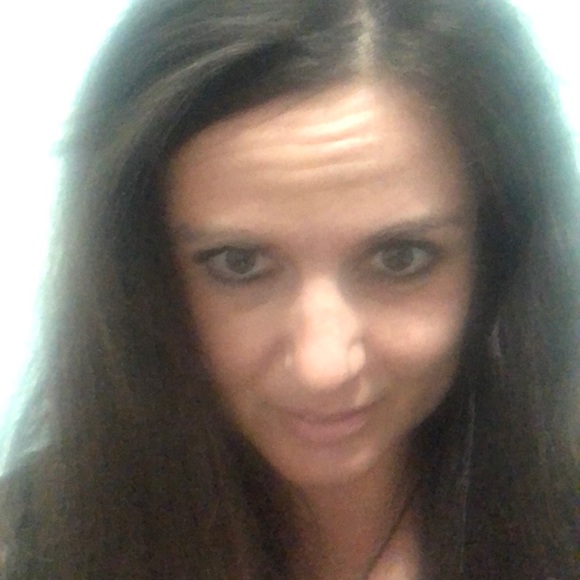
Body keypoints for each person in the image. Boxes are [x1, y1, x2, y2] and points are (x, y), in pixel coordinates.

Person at [1, 0, 578, 578]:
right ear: (141, 274)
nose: (322, 368)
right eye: (239, 264)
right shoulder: (33, 547)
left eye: (401, 259)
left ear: (498, 259)